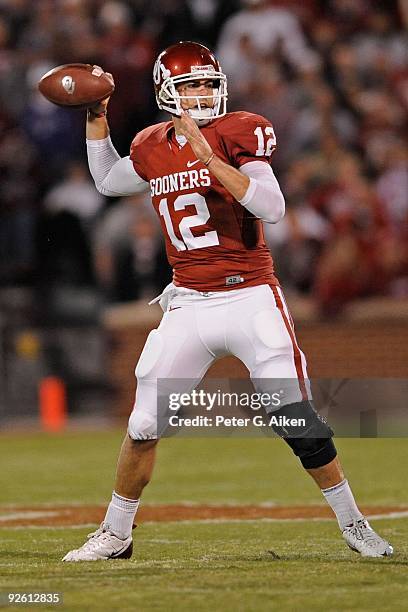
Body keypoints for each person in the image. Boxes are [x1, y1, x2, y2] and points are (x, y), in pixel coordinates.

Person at [62, 41, 392, 561]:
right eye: (190, 85)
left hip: (250, 298)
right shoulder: (151, 144)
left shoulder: (242, 130)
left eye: (207, 84)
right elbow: (107, 179)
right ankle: (116, 533)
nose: (201, 93)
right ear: (167, 93)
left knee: (293, 416)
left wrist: (207, 156)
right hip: (189, 302)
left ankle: (354, 524)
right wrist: (97, 118)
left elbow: (273, 207)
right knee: (143, 424)